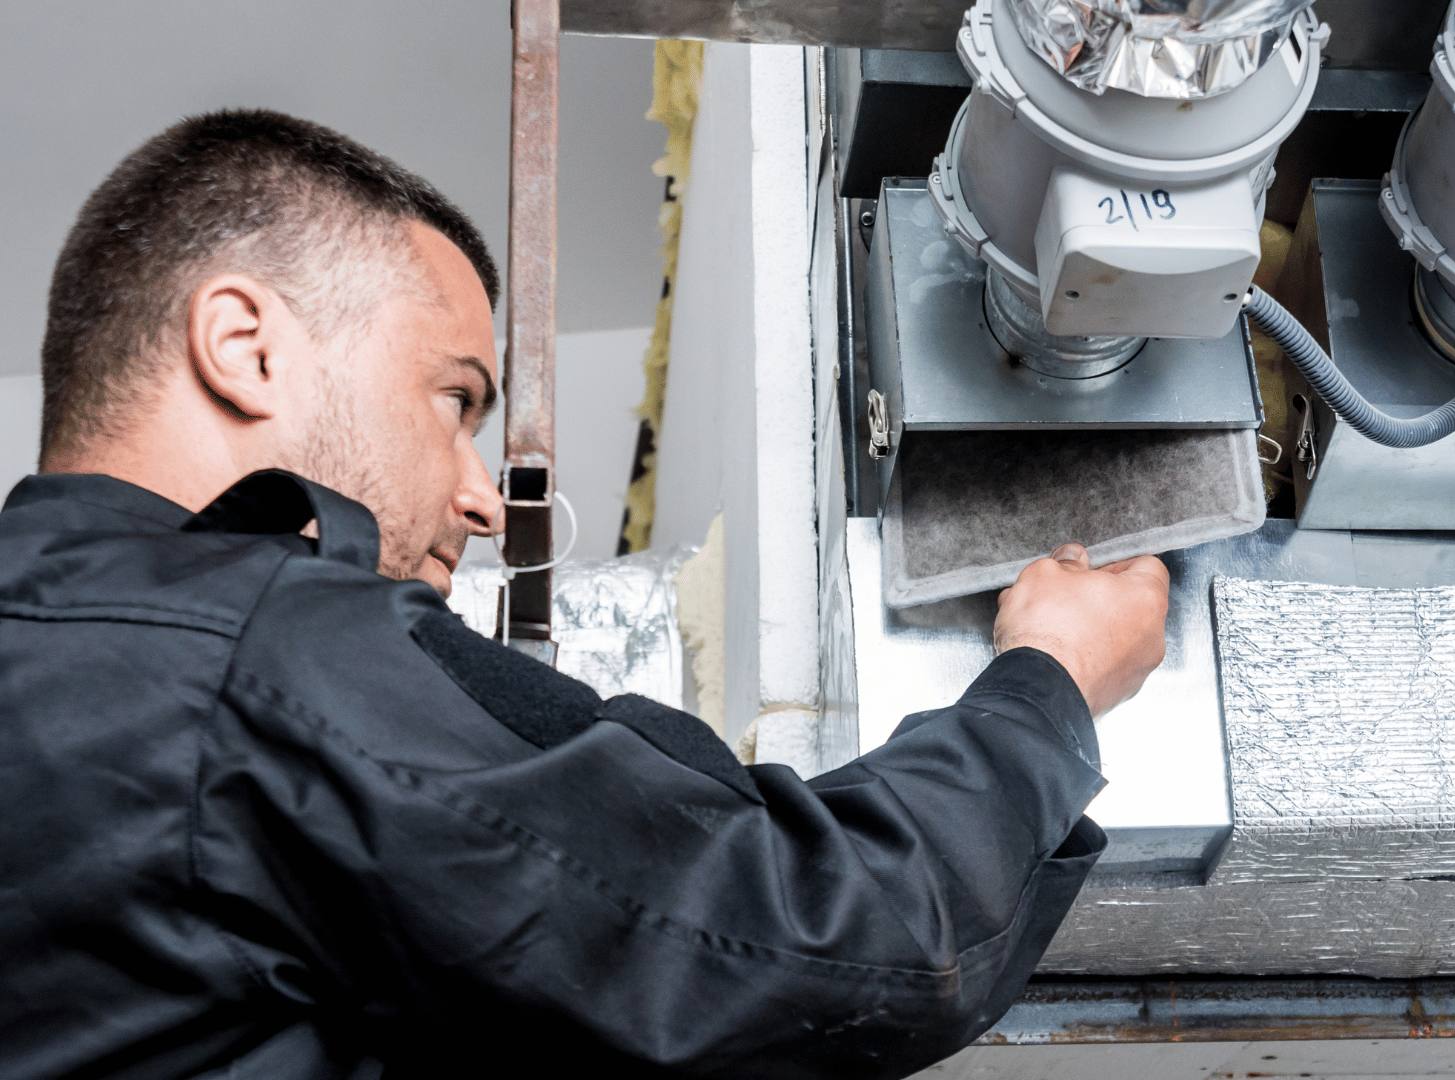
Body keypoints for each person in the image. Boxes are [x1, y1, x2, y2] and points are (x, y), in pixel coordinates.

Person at [0, 110, 1170, 1078]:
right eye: (456, 400)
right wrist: (1048, 683)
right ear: (245, 345)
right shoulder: (251, 649)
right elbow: (818, 934)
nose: (477, 495)